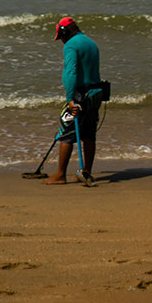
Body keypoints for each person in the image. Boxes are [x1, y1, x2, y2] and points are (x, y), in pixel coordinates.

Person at [44, 17, 102, 186]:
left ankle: (61, 175)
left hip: (80, 95)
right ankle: (85, 172)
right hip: (96, 93)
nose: (61, 41)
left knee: (66, 133)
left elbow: (71, 73)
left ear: (64, 32)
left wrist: (70, 99)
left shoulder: (71, 45)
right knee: (89, 135)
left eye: (60, 37)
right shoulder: (91, 43)